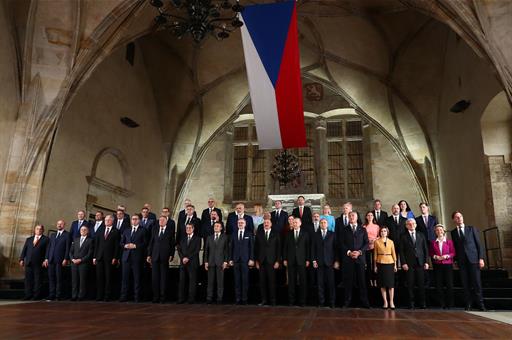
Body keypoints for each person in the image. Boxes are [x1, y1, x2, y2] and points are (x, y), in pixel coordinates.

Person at [451, 211, 486, 311]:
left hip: (474, 259)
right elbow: (455, 248)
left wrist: (481, 258)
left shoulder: (471, 229)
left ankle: (480, 304)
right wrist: (455, 261)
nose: (460, 218)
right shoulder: (453, 232)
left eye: (461, 216)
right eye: (457, 217)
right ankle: (468, 303)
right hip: (462, 261)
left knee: (476, 283)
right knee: (465, 283)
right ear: (454, 220)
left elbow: (478, 244)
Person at [340, 211, 369, 308]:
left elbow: (366, 243)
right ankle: (347, 301)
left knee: (362, 281)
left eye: (353, 216)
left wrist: (359, 252)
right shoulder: (344, 230)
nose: (351, 217)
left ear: (357, 217)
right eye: (350, 216)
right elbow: (342, 244)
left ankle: (364, 302)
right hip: (348, 259)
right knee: (348, 281)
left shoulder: (363, 229)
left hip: (360, 259)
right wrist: (349, 252)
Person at [400, 218, 429, 309]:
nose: (411, 225)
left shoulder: (421, 235)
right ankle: (411, 303)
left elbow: (425, 250)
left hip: (420, 263)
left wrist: (426, 262)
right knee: (410, 284)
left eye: (413, 223)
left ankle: (422, 303)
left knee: (421, 284)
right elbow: (401, 251)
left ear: (416, 225)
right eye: (409, 224)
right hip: (409, 264)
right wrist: (403, 263)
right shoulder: (403, 236)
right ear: (406, 226)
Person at [147, 215, 176, 303]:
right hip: (155, 256)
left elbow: (172, 244)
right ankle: (155, 297)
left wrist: (171, 254)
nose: (161, 222)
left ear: (166, 221)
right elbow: (151, 242)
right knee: (154, 278)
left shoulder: (170, 231)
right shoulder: (155, 229)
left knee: (163, 278)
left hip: (165, 256)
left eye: (163, 220)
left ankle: (163, 297)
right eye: (160, 220)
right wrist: (149, 255)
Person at [120, 215, 148, 302]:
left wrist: (135, 246)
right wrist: (125, 245)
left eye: (136, 219)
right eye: (133, 219)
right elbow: (121, 242)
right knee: (125, 278)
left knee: (137, 278)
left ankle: (137, 297)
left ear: (139, 220)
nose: (134, 221)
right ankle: (124, 297)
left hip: (137, 257)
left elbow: (145, 243)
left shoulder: (143, 230)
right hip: (126, 257)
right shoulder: (126, 230)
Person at [312, 218, 339, 308]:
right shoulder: (316, 235)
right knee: (320, 284)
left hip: (330, 263)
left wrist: (336, 261)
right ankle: (321, 302)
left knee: (331, 284)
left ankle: (332, 302)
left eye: (324, 223)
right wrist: (314, 260)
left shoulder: (333, 234)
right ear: (319, 224)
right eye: (321, 223)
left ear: (327, 224)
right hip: (319, 263)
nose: (323, 224)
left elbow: (336, 249)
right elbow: (313, 249)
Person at [283, 218, 310, 306]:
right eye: (293, 222)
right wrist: (285, 259)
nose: (294, 223)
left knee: (303, 281)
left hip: (302, 261)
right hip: (290, 260)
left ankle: (302, 301)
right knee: (291, 281)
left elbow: (307, 248)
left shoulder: (305, 234)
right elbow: (285, 248)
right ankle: (292, 301)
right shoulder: (288, 234)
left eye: (296, 222)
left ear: (300, 223)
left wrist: (307, 259)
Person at [93, 214, 120, 302]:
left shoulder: (116, 231)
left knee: (108, 277)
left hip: (110, 257)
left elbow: (117, 246)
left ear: (112, 221)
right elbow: (96, 244)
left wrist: (115, 257)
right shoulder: (100, 230)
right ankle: (99, 295)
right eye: (106, 220)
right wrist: (94, 257)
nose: (107, 221)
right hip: (99, 257)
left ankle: (107, 296)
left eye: (108, 220)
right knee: (99, 277)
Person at [254, 218, 280, 306]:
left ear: (271, 224)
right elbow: (256, 248)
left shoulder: (275, 234)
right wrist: (256, 261)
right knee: (262, 282)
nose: (266, 224)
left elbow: (278, 248)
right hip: (261, 261)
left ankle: (273, 301)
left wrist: (277, 261)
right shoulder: (259, 234)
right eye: (265, 222)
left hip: (272, 261)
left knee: (272, 282)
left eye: (268, 222)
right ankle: (264, 300)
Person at [19, 225, 48, 300]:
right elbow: (24, 250)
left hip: (39, 263)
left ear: (43, 230)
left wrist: (46, 259)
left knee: (38, 280)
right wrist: (21, 259)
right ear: (35, 230)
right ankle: (28, 295)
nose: (39, 230)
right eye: (37, 229)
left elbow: (47, 251)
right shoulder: (29, 239)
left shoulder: (46, 239)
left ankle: (36, 295)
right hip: (28, 262)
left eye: (40, 229)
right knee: (28, 280)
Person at [430, 224, 455, 309]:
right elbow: (431, 253)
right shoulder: (433, 242)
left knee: (449, 284)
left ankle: (450, 304)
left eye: (440, 230)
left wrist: (446, 256)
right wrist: (435, 257)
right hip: (437, 265)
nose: (439, 231)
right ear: (435, 232)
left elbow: (453, 253)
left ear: (443, 231)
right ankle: (441, 303)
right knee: (439, 284)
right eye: (437, 230)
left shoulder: (449, 242)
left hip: (448, 264)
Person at [229, 219, 254, 304]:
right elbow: (231, 248)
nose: (240, 224)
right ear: (237, 224)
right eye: (239, 223)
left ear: (245, 224)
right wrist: (230, 259)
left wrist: (251, 259)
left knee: (245, 280)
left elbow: (252, 248)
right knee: (237, 281)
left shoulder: (249, 234)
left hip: (245, 260)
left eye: (242, 223)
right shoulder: (233, 234)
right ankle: (238, 299)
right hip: (235, 260)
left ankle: (244, 299)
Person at [44, 219, 70, 301]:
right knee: (51, 278)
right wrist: (46, 258)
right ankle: (52, 294)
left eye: (61, 224)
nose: (59, 225)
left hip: (60, 260)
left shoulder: (67, 235)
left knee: (59, 278)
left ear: (64, 225)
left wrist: (66, 258)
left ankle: (58, 295)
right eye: (58, 224)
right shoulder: (52, 235)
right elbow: (49, 247)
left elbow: (67, 248)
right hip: (51, 259)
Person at [204, 222, 229, 304]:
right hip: (210, 262)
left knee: (220, 282)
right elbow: (206, 251)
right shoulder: (209, 237)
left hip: (220, 262)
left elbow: (226, 250)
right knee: (210, 282)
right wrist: (206, 262)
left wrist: (225, 261)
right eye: (215, 226)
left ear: (221, 228)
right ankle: (209, 298)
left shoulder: (225, 237)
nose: (216, 227)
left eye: (218, 226)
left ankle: (219, 298)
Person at [373, 227, 397, 309]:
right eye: (382, 231)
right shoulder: (376, 242)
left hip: (390, 263)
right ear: (380, 232)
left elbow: (394, 253)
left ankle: (391, 301)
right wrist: (375, 266)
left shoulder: (391, 242)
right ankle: (385, 301)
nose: (383, 232)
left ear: (387, 232)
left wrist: (395, 265)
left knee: (390, 284)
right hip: (380, 262)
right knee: (382, 284)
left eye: (385, 231)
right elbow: (375, 255)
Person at [178, 223, 201, 304]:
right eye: (187, 228)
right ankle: (181, 299)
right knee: (182, 281)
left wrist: (188, 258)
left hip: (193, 263)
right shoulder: (182, 239)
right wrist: (183, 258)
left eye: (189, 228)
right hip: (183, 262)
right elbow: (179, 250)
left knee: (192, 281)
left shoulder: (197, 239)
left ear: (193, 229)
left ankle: (191, 299)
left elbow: (197, 250)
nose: (188, 229)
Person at [69, 225, 94, 301]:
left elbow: (90, 253)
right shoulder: (75, 240)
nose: (83, 231)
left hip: (83, 263)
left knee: (82, 280)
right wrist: (72, 259)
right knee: (74, 280)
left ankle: (81, 296)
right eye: (82, 229)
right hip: (74, 263)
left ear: (87, 231)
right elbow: (70, 252)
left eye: (85, 230)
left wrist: (81, 260)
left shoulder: (90, 240)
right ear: (80, 231)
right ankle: (74, 295)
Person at [363, 211, 380, 287]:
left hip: (375, 247)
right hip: (366, 247)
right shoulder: (363, 226)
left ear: (373, 217)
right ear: (366, 217)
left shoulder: (377, 226)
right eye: (368, 215)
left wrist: (375, 240)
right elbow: (362, 237)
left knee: (375, 264)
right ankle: (370, 280)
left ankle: (375, 280)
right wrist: (368, 241)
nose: (370, 216)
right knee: (368, 264)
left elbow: (380, 236)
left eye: (371, 215)